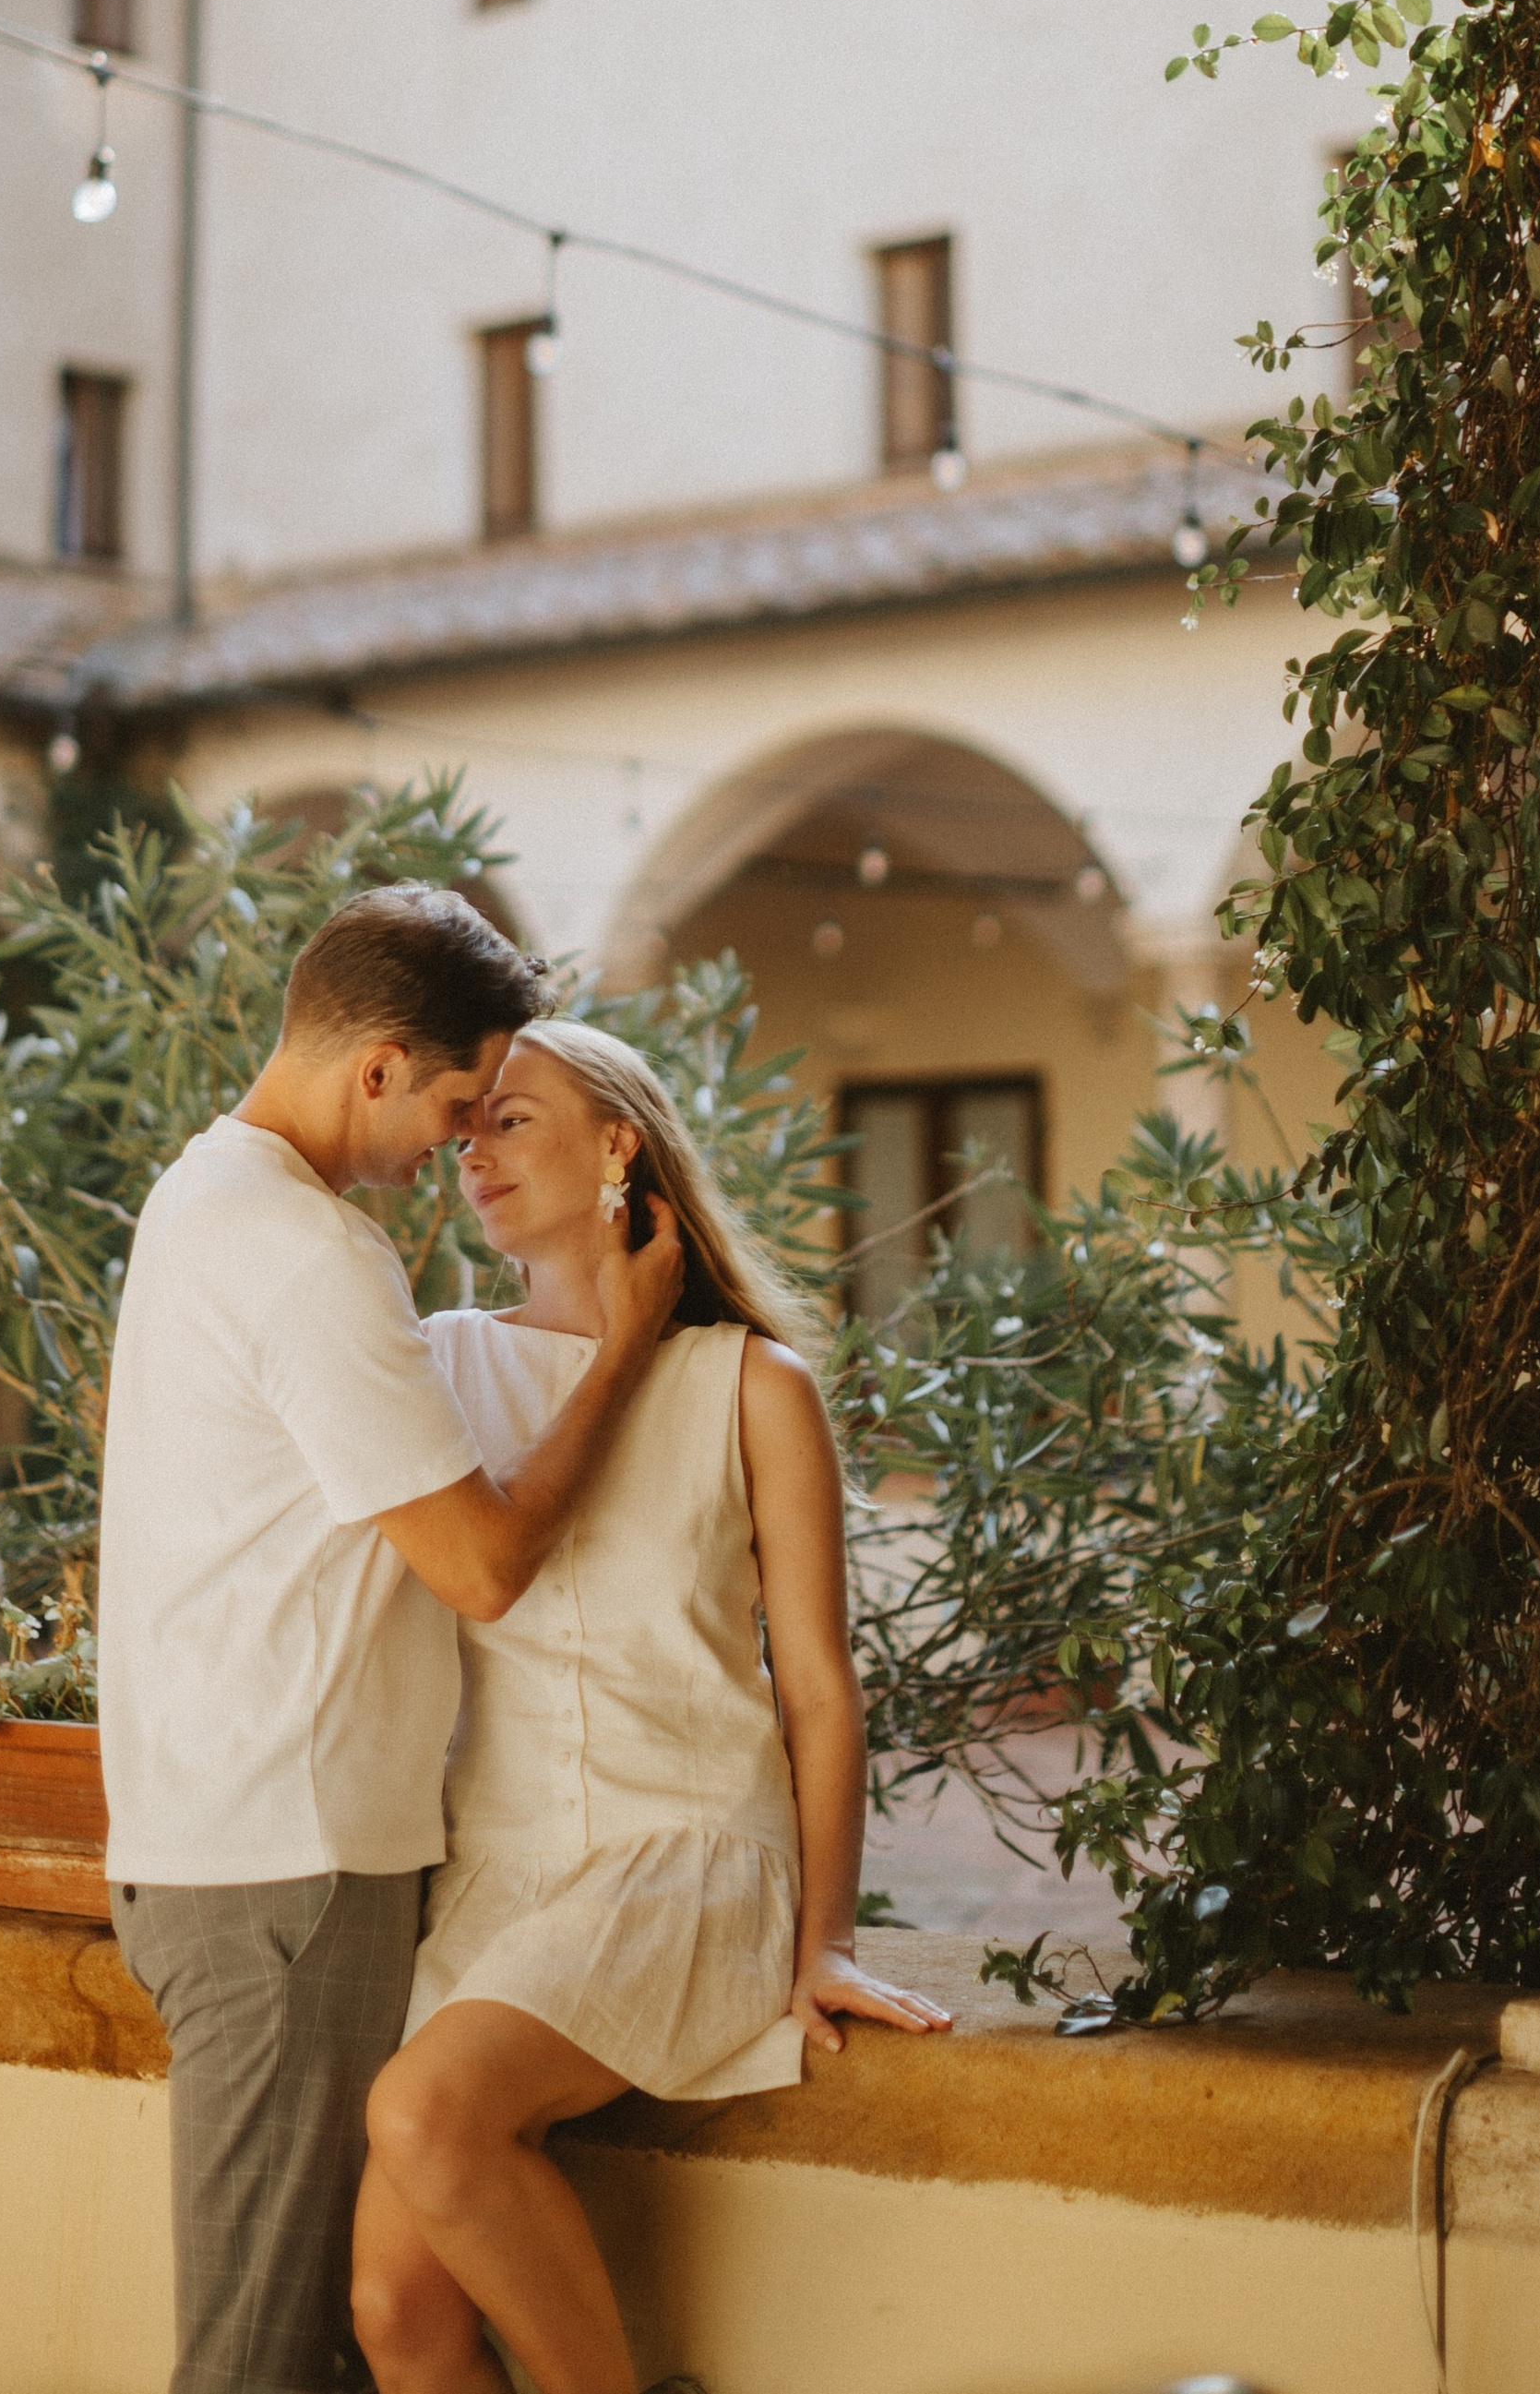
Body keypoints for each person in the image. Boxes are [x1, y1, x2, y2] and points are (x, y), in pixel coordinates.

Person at [98, 891, 684, 2394]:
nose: (459, 1144)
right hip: (285, 1872)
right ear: (374, 1068)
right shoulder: (305, 1251)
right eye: (451, 1101)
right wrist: (623, 1349)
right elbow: (483, 1563)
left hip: (248, 1850)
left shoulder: (196, 1197)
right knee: (259, 2365)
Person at [352, 1018, 951, 2394]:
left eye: (513, 1118)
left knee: (429, 2113)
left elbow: (817, 1682)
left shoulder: (751, 1383)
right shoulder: (438, 1363)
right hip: (493, 1874)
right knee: (394, 2306)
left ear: (618, 1141)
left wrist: (829, 1935)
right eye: (468, 1125)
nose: (472, 1149)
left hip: (681, 1856)